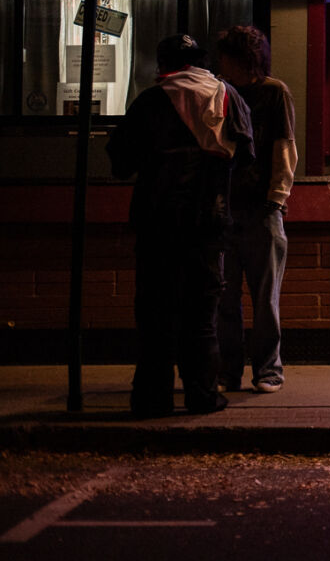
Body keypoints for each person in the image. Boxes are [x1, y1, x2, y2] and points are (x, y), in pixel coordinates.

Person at [107, 34, 253, 417]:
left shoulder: (150, 101)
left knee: (156, 314)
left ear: (163, 65)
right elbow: (247, 156)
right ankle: (203, 394)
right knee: (202, 315)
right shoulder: (227, 96)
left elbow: (121, 162)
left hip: (157, 222)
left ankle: (152, 398)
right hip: (209, 222)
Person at [214, 25, 297, 395]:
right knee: (226, 298)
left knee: (263, 299)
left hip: (259, 206)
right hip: (231, 207)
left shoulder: (273, 93)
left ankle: (266, 371)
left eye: (225, 57)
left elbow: (284, 146)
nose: (220, 64)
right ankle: (234, 371)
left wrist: (276, 198)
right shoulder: (221, 92)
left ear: (240, 59)